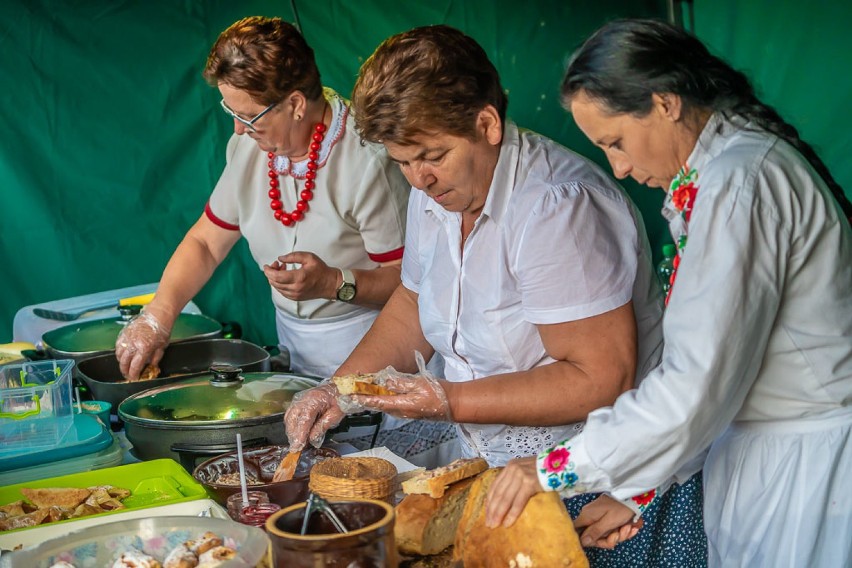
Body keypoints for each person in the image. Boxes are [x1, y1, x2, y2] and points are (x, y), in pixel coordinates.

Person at [285, 24, 707, 565]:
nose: (419, 179)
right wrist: (338, 389)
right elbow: (412, 303)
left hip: (599, 481)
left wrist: (449, 400)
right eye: (402, 161)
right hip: (494, 469)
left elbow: (601, 378)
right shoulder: (437, 191)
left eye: (432, 155)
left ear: (486, 123)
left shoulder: (557, 207)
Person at [486, 18, 852, 568]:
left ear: (665, 103)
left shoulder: (739, 183)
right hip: (766, 460)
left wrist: (551, 467)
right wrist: (638, 488)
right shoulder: (722, 176)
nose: (621, 167)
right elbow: (718, 379)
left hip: (806, 473)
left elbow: (695, 386)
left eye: (616, 142)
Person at [114, 16, 410, 381]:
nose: (238, 128)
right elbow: (206, 242)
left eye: (250, 116)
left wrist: (333, 282)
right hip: (294, 346)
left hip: (376, 348)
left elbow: (409, 282)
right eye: (232, 112)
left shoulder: (368, 161)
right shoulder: (248, 146)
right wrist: (158, 315)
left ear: (296, 104)